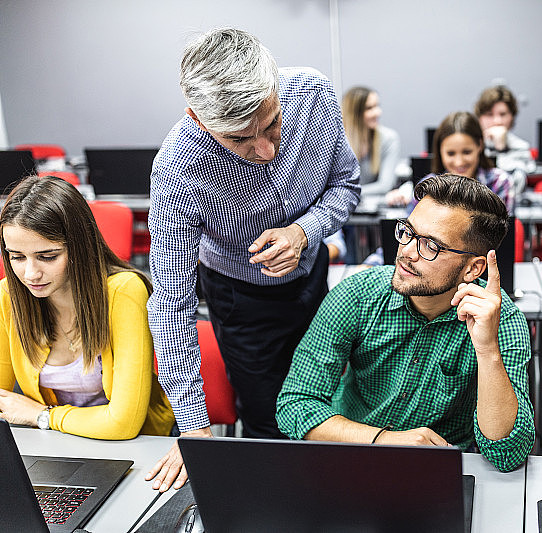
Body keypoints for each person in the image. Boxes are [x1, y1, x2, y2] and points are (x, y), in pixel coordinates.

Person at [146, 28, 360, 491]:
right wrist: (195, 430)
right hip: (239, 299)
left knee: (325, 404)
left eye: (272, 123)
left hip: (313, 276)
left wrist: (305, 231)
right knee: (268, 425)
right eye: (242, 140)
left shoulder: (314, 93)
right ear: (198, 120)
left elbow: (347, 186)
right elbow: (171, 303)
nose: (266, 151)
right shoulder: (177, 171)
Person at [277, 174, 535, 472]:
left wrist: (488, 350)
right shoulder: (357, 294)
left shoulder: (502, 321)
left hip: (435, 471)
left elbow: (507, 454)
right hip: (350, 451)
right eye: (408, 233)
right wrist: (384, 440)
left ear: (472, 268)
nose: (407, 252)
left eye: (431, 246)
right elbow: (295, 404)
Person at [0, 175, 174, 439]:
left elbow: (123, 425)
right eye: (17, 257)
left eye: (47, 256)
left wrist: (42, 415)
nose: (31, 274)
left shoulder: (124, 291)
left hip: (138, 448)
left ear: (79, 247)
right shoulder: (8, 295)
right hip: (57, 443)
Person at [362, 111, 515, 267]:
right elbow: (406, 234)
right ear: (439, 152)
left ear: (480, 146)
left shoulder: (499, 183)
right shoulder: (428, 185)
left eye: (466, 152)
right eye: (450, 153)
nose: (459, 161)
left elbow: (502, 245)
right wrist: (371, 264)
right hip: (430, 269)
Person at [474, 85, 535, 195]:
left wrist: (501, 148)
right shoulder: (470, 147)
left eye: (503, 114)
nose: (497, 121)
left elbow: (516, 188)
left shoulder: (521, 147)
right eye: (489, 115)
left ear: (512, 117)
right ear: (480, 118)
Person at [342, 86, 401, 196]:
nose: (378, 112)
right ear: (354, 114)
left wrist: (347, 193)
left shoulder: (388, 138)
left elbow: (384, 186)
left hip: (373, 208)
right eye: (369, 108)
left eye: (377, 106)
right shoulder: (339, 143)